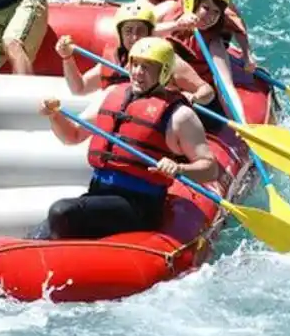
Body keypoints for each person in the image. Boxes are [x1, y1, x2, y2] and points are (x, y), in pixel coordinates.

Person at [31, 37, 218, 241]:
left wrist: (179, 168)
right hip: (98, 194)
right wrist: (54, 116)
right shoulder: (113, 95)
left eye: (147, 67)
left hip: (139, 206)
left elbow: (210, 168)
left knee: (61, 212)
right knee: (43, 229)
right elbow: (72, 136)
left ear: (164, 72)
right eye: (135, 64)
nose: (137, 72)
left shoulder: (180, 116)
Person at [54, 1, 215, 106]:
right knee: (74, 134)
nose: (134, 37)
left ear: (150, 32)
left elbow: (207, 92)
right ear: (120, 34)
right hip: (122, 118)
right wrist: (67, 58)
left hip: (156, 121)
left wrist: (193, 98)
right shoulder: (116, 58)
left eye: (140, 31)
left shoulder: (168, 59)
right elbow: (79, 88)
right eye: (129, 31)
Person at [152, 0, 254, 127]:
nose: (211, 17)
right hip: (155, 75)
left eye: (216, 12)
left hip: (193, 90)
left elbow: (225, 85)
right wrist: (176, 25)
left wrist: (241, 124)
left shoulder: (214, 43)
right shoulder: (169, 8)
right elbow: (143, 31)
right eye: (206, 8)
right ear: (192, 3)